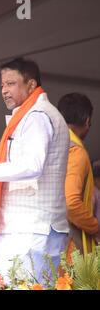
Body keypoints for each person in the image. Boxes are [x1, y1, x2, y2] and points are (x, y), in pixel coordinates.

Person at [0, 58, 69, 284]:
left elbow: (32, 165)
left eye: (11, 84)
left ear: (31, 85)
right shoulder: (28, 115)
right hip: (20, 226)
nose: (4, 91)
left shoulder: (38, 115)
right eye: (2, 85)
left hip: (34, 225)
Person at [57, 93, 98, 255]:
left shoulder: (51, 142)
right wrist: (94, 226)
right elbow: (71, 203)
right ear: (87, 121)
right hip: (69, 244)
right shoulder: (76, 151)